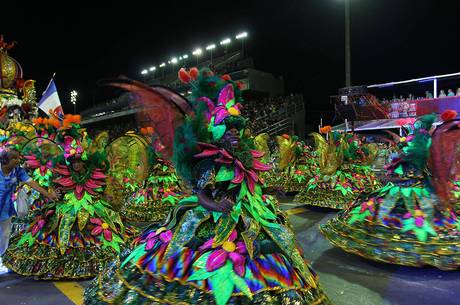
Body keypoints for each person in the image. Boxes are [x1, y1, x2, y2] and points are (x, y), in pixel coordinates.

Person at [0, 148, 58, 274]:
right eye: (14, 158)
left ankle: (2, 259)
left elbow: (32, 184)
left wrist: (48, 195)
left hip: (6, 209)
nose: (18, 160)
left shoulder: (18, 171)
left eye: (18, 157)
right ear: (5, 161)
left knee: (4, 236)